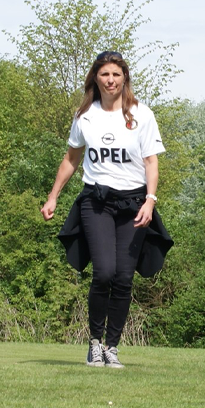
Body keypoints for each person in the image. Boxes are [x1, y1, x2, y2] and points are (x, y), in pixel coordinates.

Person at [41, 51, 165, 368]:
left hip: (134, 204)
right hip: (96, 202)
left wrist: (150, 200)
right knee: (104, 272)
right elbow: (71, 159)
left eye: (116, 75)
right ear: (96, 78)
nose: (110, 80)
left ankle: (112, 347)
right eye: (104, 74)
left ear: (125, 78)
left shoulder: (141, 115)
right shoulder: (85, 116)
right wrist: (53, 196)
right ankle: (95, 344)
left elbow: (152, 162)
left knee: (123, 278)